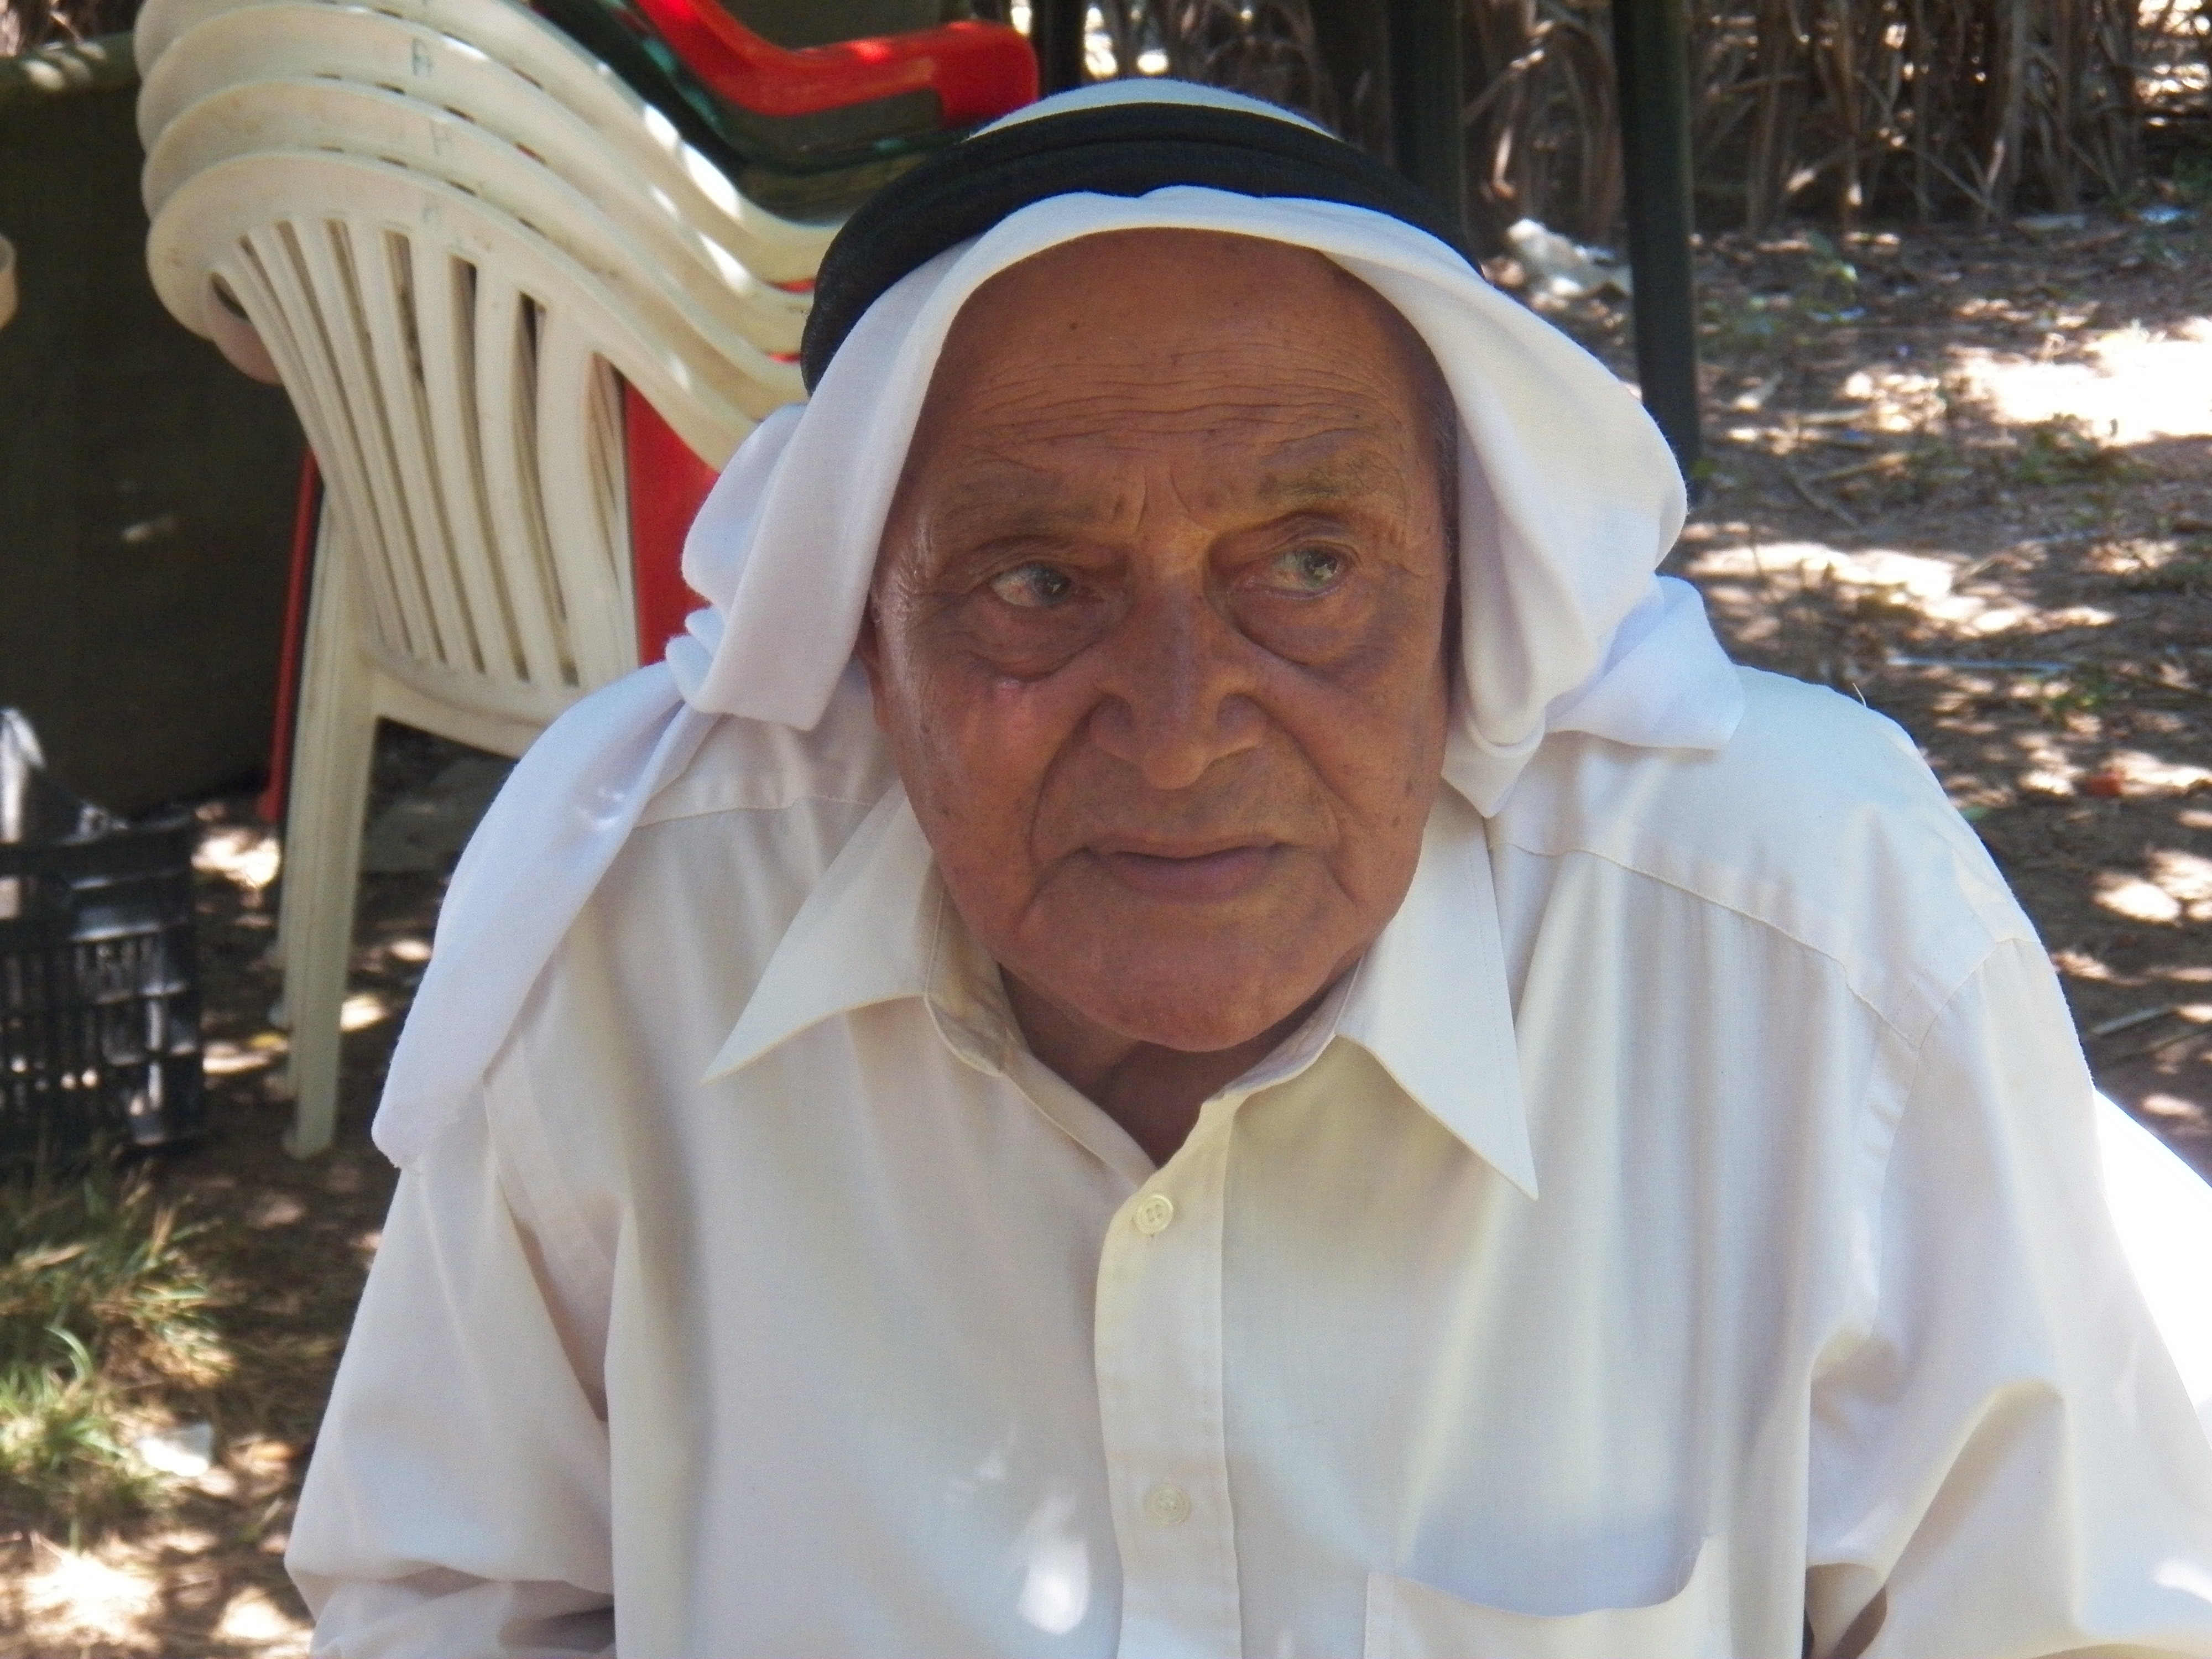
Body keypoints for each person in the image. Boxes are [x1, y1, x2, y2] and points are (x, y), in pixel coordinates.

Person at [286, 81, 2212, 1658]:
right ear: (868, 637)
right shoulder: (636, 938)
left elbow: (2073, 1625)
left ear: (1465, 591)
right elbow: (455, 1598)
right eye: (1037, 585)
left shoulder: (1809, 943)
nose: (1181, 727)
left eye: (1307, 567)